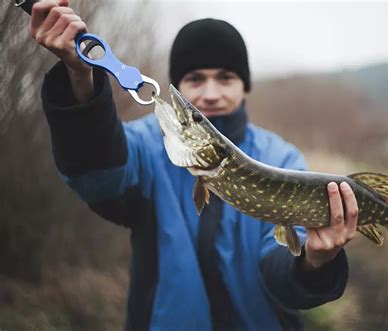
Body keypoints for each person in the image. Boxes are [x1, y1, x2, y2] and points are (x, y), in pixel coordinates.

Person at [30, 1, 359, 330]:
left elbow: (281, 269)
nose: (211, 93)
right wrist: (79, 74)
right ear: (179, 85)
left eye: (226, 77)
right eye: (196, 78)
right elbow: (96, 178)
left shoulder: (280, 157)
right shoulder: (145, 147)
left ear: (244, 85)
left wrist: (314, 261)